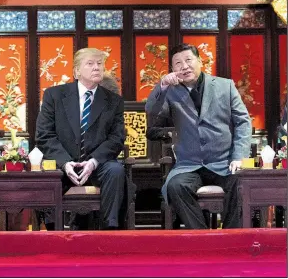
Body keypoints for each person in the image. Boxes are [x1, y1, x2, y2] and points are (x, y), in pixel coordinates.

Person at [145, 43, 252, 229]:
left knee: (240, 183)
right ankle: (203, 238)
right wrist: (161, 85)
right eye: (177, 63)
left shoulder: (225, 86)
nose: (184, 66)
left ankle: (231, 237)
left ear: (200, 61)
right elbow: (152, 111)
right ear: (172, 69)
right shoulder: (170, 91)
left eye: (188, 60)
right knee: (175, 187)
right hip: (189, 165)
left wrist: (239, 157)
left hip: (224, 163)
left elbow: (243, 121)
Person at [36, 48, 125, 230]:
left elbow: (116, 138)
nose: (97, 68)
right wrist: (65, 163)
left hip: (97, 163)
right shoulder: (54, 95)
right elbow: (44, 135)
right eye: (90, 63)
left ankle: (110, 231)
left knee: (115, 171)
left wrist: (93, 162)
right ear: (76, 71)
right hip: (64, 162)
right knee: (48, 178)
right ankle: (54, 232)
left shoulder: (113, 100)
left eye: (100, 64)